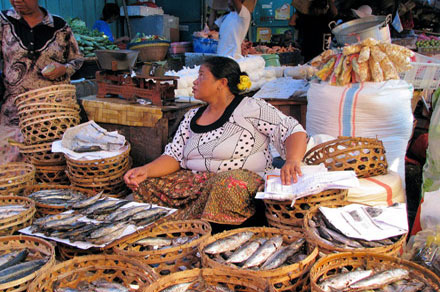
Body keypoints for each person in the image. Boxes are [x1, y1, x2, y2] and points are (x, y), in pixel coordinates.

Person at [124, 56, 307, 225]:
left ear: (222, 83)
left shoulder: (252, 108)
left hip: (239, 182)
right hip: (194, 184)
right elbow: (174, 155)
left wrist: (292, 160)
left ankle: (210, 229)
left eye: (202, 76)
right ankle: (183, 224)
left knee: (227, 185)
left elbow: (292, 130)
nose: (195, 82)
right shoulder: (191, 117)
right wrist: (146, 170)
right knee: (145, 185)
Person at [0, 0, 83, 163]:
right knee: (11, 169)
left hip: (53, 115)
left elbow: (77, 59)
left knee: (49, 166)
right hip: (14, 114)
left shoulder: (59, 27)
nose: (17, 1)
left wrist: (64, 68)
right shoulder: (4, 22)